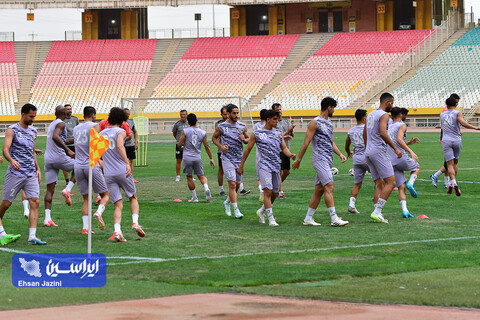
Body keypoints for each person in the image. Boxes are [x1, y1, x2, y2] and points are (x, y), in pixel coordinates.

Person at [292, 97, 349, 227]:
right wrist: (299, 160)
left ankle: (308, 218)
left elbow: (331, 142)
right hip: (319, 158)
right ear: (329, 107)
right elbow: (306, 142)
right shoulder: (314, 122)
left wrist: (340, 154)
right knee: (329, 185)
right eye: (333, 108)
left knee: (319, 190)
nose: (334, 110)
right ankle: (334, 218)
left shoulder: (329, 123)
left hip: (328, 159)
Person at [238, 109, 296, 227]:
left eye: (277, 119)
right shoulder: (257, 133)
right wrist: (241, 165)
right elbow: (248, 149)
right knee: (268, 191)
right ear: (268, 119)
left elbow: (283, 148)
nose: (277, 121)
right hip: (264, 165)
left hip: (276, 165)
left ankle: (262, 211)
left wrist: (290, 154)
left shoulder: (278, 133)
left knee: (275, 193)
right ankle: (271, 219)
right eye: (274, 119)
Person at [0, 103, 46, 245]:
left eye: (34, 116)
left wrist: (38, 169)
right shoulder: (12, 130)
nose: (33, 119)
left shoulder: (33, 131)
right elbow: (5, 149)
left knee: (35, 202)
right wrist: (11, 160)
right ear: (23, 114)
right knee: (6, 204)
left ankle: (32, 236)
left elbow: (31, 151)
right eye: (31, 116)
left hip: (30, 173)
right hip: (15, 173)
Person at [101, 107, 145, 242]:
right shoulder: (120, 131)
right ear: (121, 120)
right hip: (122, 170)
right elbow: (120, 146)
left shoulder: (102, 133)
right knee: (133, 197)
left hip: (108, 173)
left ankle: (117, 231)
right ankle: (135, 222)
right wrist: (127, 163)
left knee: (117, 204)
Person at [363, 92, 402, 224]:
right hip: (378, 151)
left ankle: (376, 212)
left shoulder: (370, 115)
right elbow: (383, 132)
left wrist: (367, 148)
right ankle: (377, 212)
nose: (393, 105)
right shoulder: (383, 115)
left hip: (369, 151)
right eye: (392, 102)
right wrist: (395, 148)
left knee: (378, 183)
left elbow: (365, 133)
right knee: (391, 182)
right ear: (388, 102)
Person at [73, 106, 109, 234]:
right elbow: (96, 145)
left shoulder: (76, 128)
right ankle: (99, 213)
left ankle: (85, 228)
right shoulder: (94, 126)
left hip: (78, 165)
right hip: (91, 164)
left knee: (86, 199)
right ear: (93, 115)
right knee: (105, 195)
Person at [212, 104, 249, 219]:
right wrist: (221, 146)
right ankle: (236, 210)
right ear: (228, 114)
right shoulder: (222, 126)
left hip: (239, 158)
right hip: (227, 158)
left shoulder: (242, 126)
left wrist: (244, 139)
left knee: (237, 185)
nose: (236, 115)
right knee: (232, 184)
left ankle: (227, 202)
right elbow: (213, 138)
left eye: (237, 113)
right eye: (234, 113)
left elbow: (248, 139)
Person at [43, 105, 76, 227]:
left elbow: (63, 139)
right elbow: (56, 137)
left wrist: (76, 139)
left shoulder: (53, 124)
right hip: (59, 157)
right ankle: (68, 189)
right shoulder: (62, 124)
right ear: (64, 114)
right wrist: (68, 150)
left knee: (50, 189)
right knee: (80, 165)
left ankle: (47, 219)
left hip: (48, 159)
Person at [440, 96, 480, 196]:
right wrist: (475, 128)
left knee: (449, 164)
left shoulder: (442, 114)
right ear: (456, 104)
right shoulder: (458, 113)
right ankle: (452, 183)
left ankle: (452, 183)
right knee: (455, 163)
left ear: (446, 105)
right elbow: (462, 123)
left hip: (446, 140)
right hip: (456, 140)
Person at [387, 107, 420, 218]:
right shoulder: (402, 125)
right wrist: (411, 152)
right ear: (401, 115)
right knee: (417, 167)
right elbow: (399, 140)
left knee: (401, 186)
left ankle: (405, 210)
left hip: (391, 160)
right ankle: (411, 182)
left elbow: (395, 141)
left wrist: (410, 142)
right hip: (400, 157)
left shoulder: (389, 126)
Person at [177, 113, 215, 203]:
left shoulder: (185, 131)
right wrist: (211, 158)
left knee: (189, 177)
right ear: (197, 120)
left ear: (188, 122)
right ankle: (206, 187)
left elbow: (179, 144)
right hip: (197, 157)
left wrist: (182, 147)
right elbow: (207, 146)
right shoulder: (202, 132)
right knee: (201, 176)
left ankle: (194, 197)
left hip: (187, 157)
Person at [431, 93, 460, 189]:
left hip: (448, 136)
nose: (457, 104)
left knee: (449, 162)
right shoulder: (448, 111)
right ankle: (436, 175)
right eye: (456, 102)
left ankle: (446, 182)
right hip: (446, 136)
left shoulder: (446, 111)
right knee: (449, 162)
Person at [345, 109, 369, 214]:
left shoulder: (351, 131)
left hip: (356, 158)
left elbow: (346, 146)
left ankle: (351, 205)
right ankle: (378, 206)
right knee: (380, 180)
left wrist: (349, 152)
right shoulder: (367, 128)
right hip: (367, 157)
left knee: (357, 184)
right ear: (364, 118)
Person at [272, 103, 295, 199]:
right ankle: (280, 192)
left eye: (280, 109)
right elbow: (275, 135)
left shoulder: (286, 121)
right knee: (280, 171)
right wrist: (286, 134)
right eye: (277, 109)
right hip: (277, 149)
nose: (279, 111)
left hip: (286, 149)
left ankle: (276, 186)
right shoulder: (273, 122)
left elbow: (292, 135)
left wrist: (291, 131)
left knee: (287, 171)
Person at [62, 104, 79, 188]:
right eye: (68, 109)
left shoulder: (75, 119)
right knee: (65, 163)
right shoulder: (62, 120)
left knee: (76, 162)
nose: (69, 110)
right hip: (66, 145)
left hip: (75, 144)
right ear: (64, 111)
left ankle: (74, 178)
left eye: (70, 109)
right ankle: (67, 181)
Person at [254, 109, 268, 203]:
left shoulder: (256, 126)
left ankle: (261, 191)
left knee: (259, 178)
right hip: (269, 155)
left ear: (260, 117)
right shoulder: (269, 126)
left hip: (259, 154)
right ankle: (266, 192)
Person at [173, 110, 189, 182]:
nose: (183, 116)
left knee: (189, 160)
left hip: (188, 144)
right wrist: (179, 141)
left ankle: (189, 175)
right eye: (181, 114)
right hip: (179, 145)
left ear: (186, 115)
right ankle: (178, 176)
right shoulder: (177, 124)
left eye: (184, 114)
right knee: (178, 160)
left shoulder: (189, 123)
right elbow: (174, 133)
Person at [215, 106, 228, 196]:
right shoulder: (218, 124)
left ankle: (241, 188)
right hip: (221, 150)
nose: (226, 116)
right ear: (221, 115)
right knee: (221, 169)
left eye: (228, 114)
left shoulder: (232, 123)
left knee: (237, 168)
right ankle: (221, 189)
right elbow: (219, 135)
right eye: (224, 114)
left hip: (232, 150)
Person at [124, 108, 139, 183]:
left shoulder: (131, 122)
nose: (128, 115)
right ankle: (124, 177)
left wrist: (136, 142)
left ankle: (131, 178)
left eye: (129, 114)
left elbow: (135, 132)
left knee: (130, 162)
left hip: (130, 144)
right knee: (123, 162)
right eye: (126, 114)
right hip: (122, 145)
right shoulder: (119, 122)